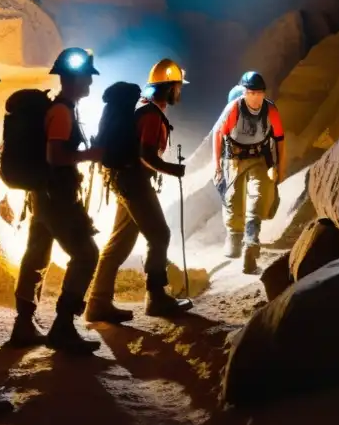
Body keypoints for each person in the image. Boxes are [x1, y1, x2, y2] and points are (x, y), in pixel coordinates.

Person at [8, 48, 104, 353]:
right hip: (57, 197)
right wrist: (90, 155)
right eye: (87, 75)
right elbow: (56, 155)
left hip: (43, 195)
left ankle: (23, 325)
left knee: (37, 256)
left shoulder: (63, 109)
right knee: (86, 254)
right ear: (76, 79)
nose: (90, 80)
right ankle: (63, 326)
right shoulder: (62, 112)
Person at [86, 59, 194, 322]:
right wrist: (172, 170)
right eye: (178, 86)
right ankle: (156, 297)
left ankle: (98, 303)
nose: (179, 91)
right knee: (159, 234)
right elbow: (146, 153)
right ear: (169, 87)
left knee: (120, 242)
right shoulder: (150, 115)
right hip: (133, 181)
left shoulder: (144, 109)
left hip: (123, 178)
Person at [212, 70, 285, 273]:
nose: (255, 96)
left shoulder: (270, 110)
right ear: (244, 92)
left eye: (259, 92)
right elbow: (218, 135)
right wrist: (217, 166)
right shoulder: (233, 109)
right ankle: (234, 236)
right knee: (232, 198)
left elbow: (279, 139)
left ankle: (251, 241)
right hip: (234, 158)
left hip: (260, 157)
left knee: (260, 195)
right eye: (251, 92)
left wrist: (280, 166)